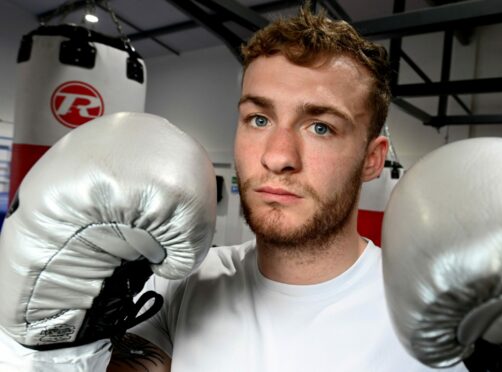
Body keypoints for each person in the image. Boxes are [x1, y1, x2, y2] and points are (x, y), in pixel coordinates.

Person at [107, 5, 466, 372]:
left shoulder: (424, 320)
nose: (278, 157)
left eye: (320, 127)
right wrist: (69, 332)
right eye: (259, 119)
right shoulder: (186, 282)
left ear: (372, 160)